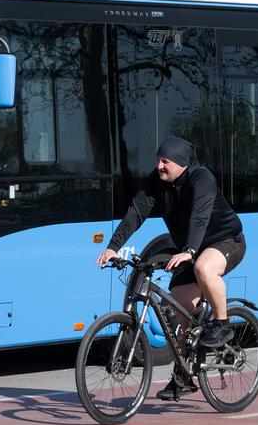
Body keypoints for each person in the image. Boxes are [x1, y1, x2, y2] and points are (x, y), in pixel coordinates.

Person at [97, 135, 246, 400]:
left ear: (181, 163)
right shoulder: (158, 182)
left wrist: (188, 251)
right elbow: (135, 213)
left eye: (165, 161)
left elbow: (200, 216)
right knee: (181, 315)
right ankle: (183, 375)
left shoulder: (201, 179)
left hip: (225, 241)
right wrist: (113, 246)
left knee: (204, 268)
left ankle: (223, 324)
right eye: (157, 160)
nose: (159, 166)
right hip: (190, 249)